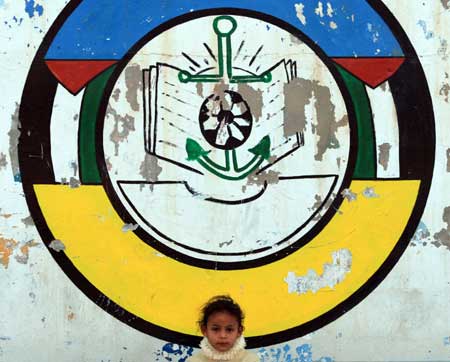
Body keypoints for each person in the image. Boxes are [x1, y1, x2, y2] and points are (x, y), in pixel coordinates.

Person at [187, 295, 259, 362]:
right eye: (215, 329)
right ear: (204, 330)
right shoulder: (194, 360)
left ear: (239, 331)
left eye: (229, 329)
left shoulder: (250, 359)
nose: (223, 336)